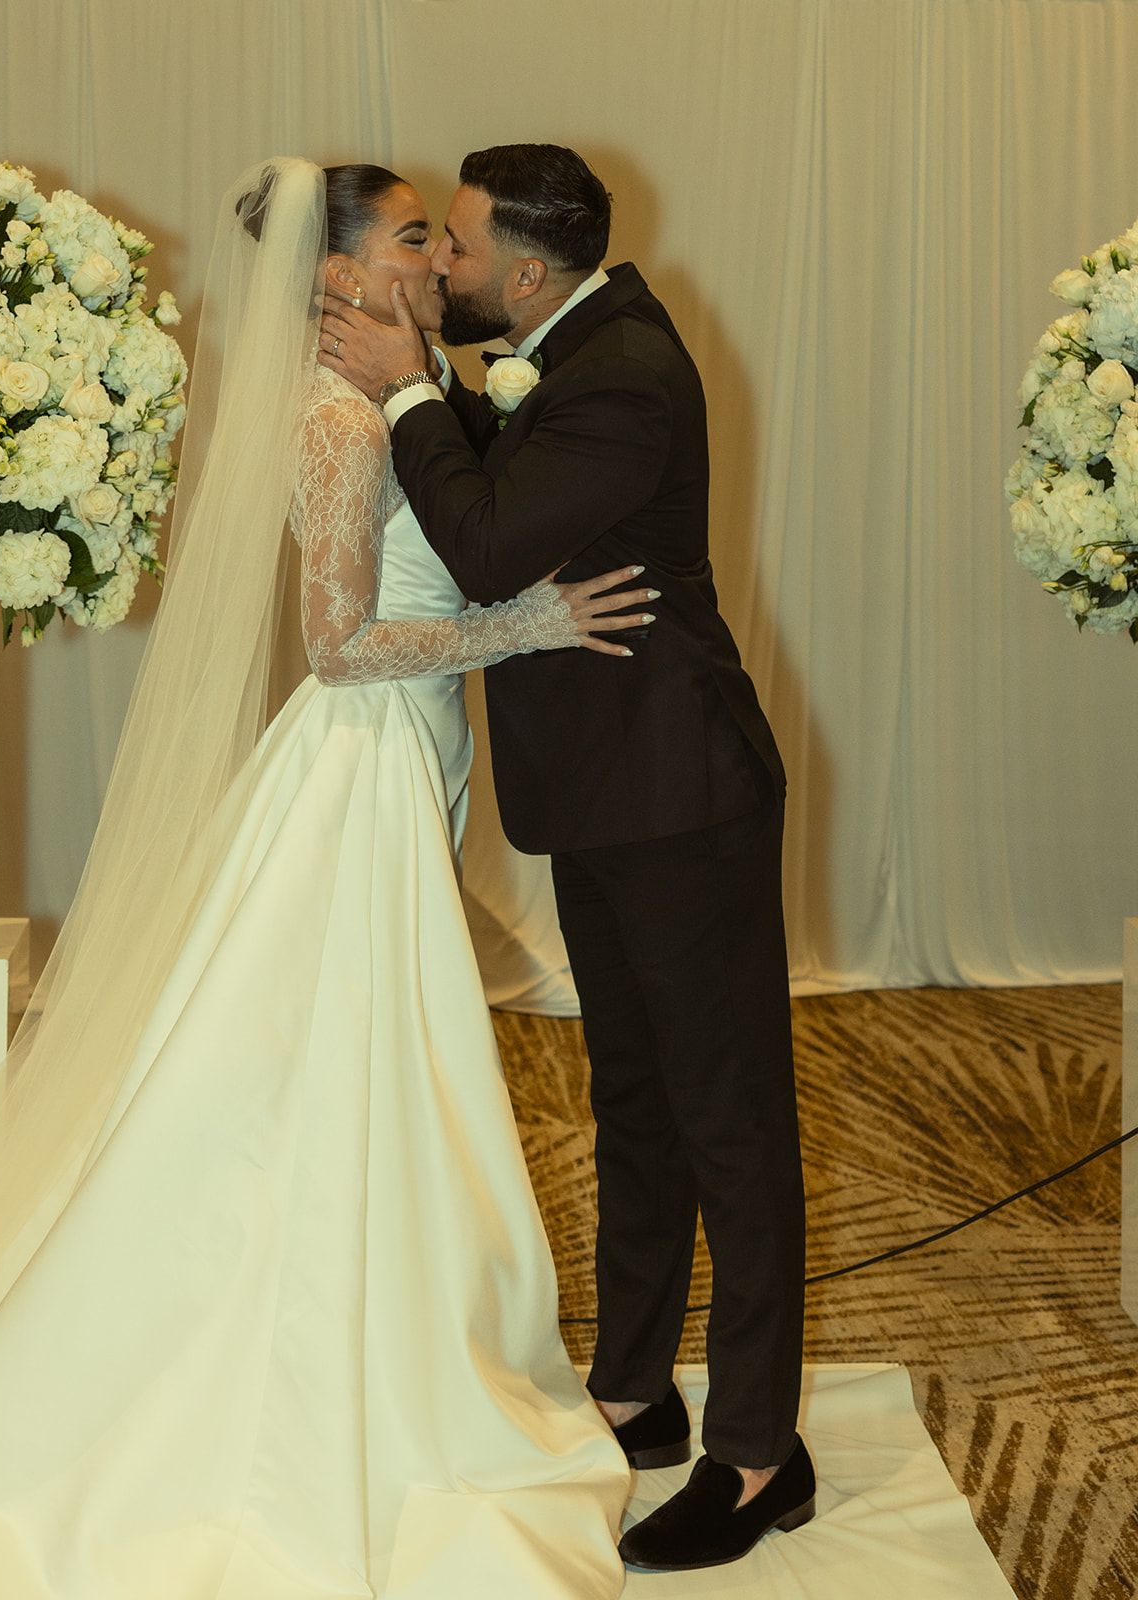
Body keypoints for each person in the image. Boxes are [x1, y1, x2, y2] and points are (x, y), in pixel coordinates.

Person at [0, 158, 652, 1597]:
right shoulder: (341, 417)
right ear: (338, 272)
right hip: (355, 767)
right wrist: (529, 622)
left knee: (336, 1065)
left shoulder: (394, 393)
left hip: (405, 754)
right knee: (339, 1065)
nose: (440, 261)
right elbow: (340, 641)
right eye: (416, 237)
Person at [320, 142, 815, 1573]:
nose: (443, 269)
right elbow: (495, 502)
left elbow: (482, 550)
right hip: (608, 790)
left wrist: (408, 384)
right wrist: (431, 388)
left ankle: (759, 1453)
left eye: (458, 250)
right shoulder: (561, 350)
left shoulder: (623, 375)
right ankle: (636, 1389)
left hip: (681, 795)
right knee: (637, 1100)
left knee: (730, 1117)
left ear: (526, 272)